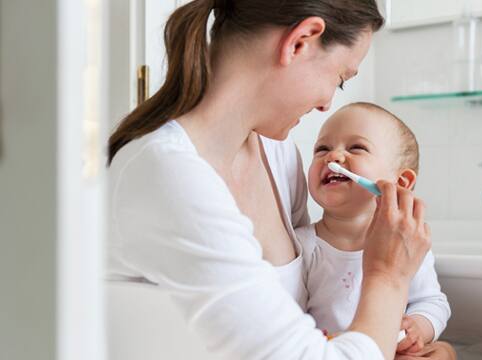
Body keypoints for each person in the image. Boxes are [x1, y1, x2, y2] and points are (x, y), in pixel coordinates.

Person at [107, 0, 454, 359]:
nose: (326, 104)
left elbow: (300, 328)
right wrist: (388, 276)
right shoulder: (167, 173)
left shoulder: (279, 156)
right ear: (301, 41)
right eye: (340, 79)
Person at [297, 102, 451, 356]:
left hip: (391, 351)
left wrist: (419, 328)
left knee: (442, 353)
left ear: (400, 183)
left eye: (356, 148)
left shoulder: (407, 244)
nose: (332, 156)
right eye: (321, 149)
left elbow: (433, 302)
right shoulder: (303, 246)